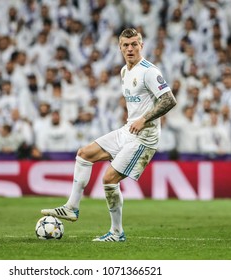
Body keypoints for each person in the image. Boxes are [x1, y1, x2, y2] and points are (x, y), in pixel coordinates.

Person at [41, 28, 177, 242]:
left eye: (134, 44)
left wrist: (144, 119)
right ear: (120, 47)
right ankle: (71, 208)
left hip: (144, 138)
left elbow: (169, 100)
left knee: (109, 179)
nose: (130, 48)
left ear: (142, 45)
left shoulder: (149, 71)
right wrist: (136, 120)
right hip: (128, 130)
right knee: (84, 154)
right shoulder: (125, 71)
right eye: (126, 45)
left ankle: (116, 232)